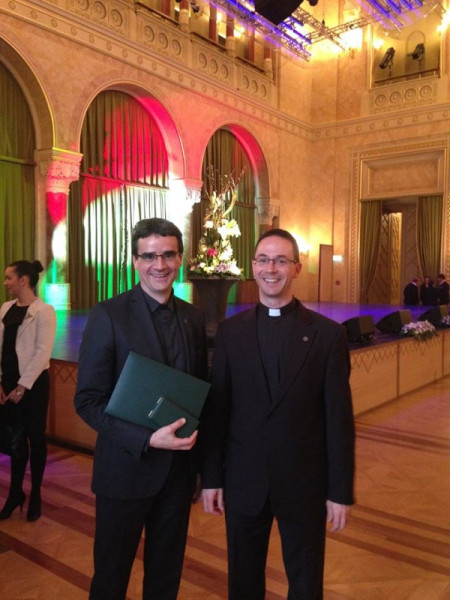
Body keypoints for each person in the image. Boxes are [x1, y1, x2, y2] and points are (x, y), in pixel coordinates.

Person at [200, 228, 355, 600]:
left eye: (281, 261)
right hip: (243, 482)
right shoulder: (230, 333)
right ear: (253, 266)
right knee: (243, 581)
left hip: (304, 485)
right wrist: (211, 477)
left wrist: (340, 491)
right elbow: (217, 412)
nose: (271, 269)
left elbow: (339, 421)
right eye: (264, 260)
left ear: (297, 268)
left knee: (305, 583)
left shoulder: (328, 336)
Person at [74, 218, 207, 600]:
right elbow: (87, 400)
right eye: (148, 256)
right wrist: (147, 438)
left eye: (168, 254)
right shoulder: (108, 314)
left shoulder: (193, 318)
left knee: (165, 581)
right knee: (110, 581)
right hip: (124, 473)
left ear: (180, 258)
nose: (159, 264)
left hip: (178, 477)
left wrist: (200, 469)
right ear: (134, 261)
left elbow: (198, 394)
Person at [0, 260, 56, 522]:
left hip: (32, 385)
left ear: (23, 280)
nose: (5, 283)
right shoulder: (5, 308)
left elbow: (42, 353)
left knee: (35, 437)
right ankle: (15, 494)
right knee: (15, 439)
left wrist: (22, 387)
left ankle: (35, 494)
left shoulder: (44, 311)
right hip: (8, 384)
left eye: (9, 278)